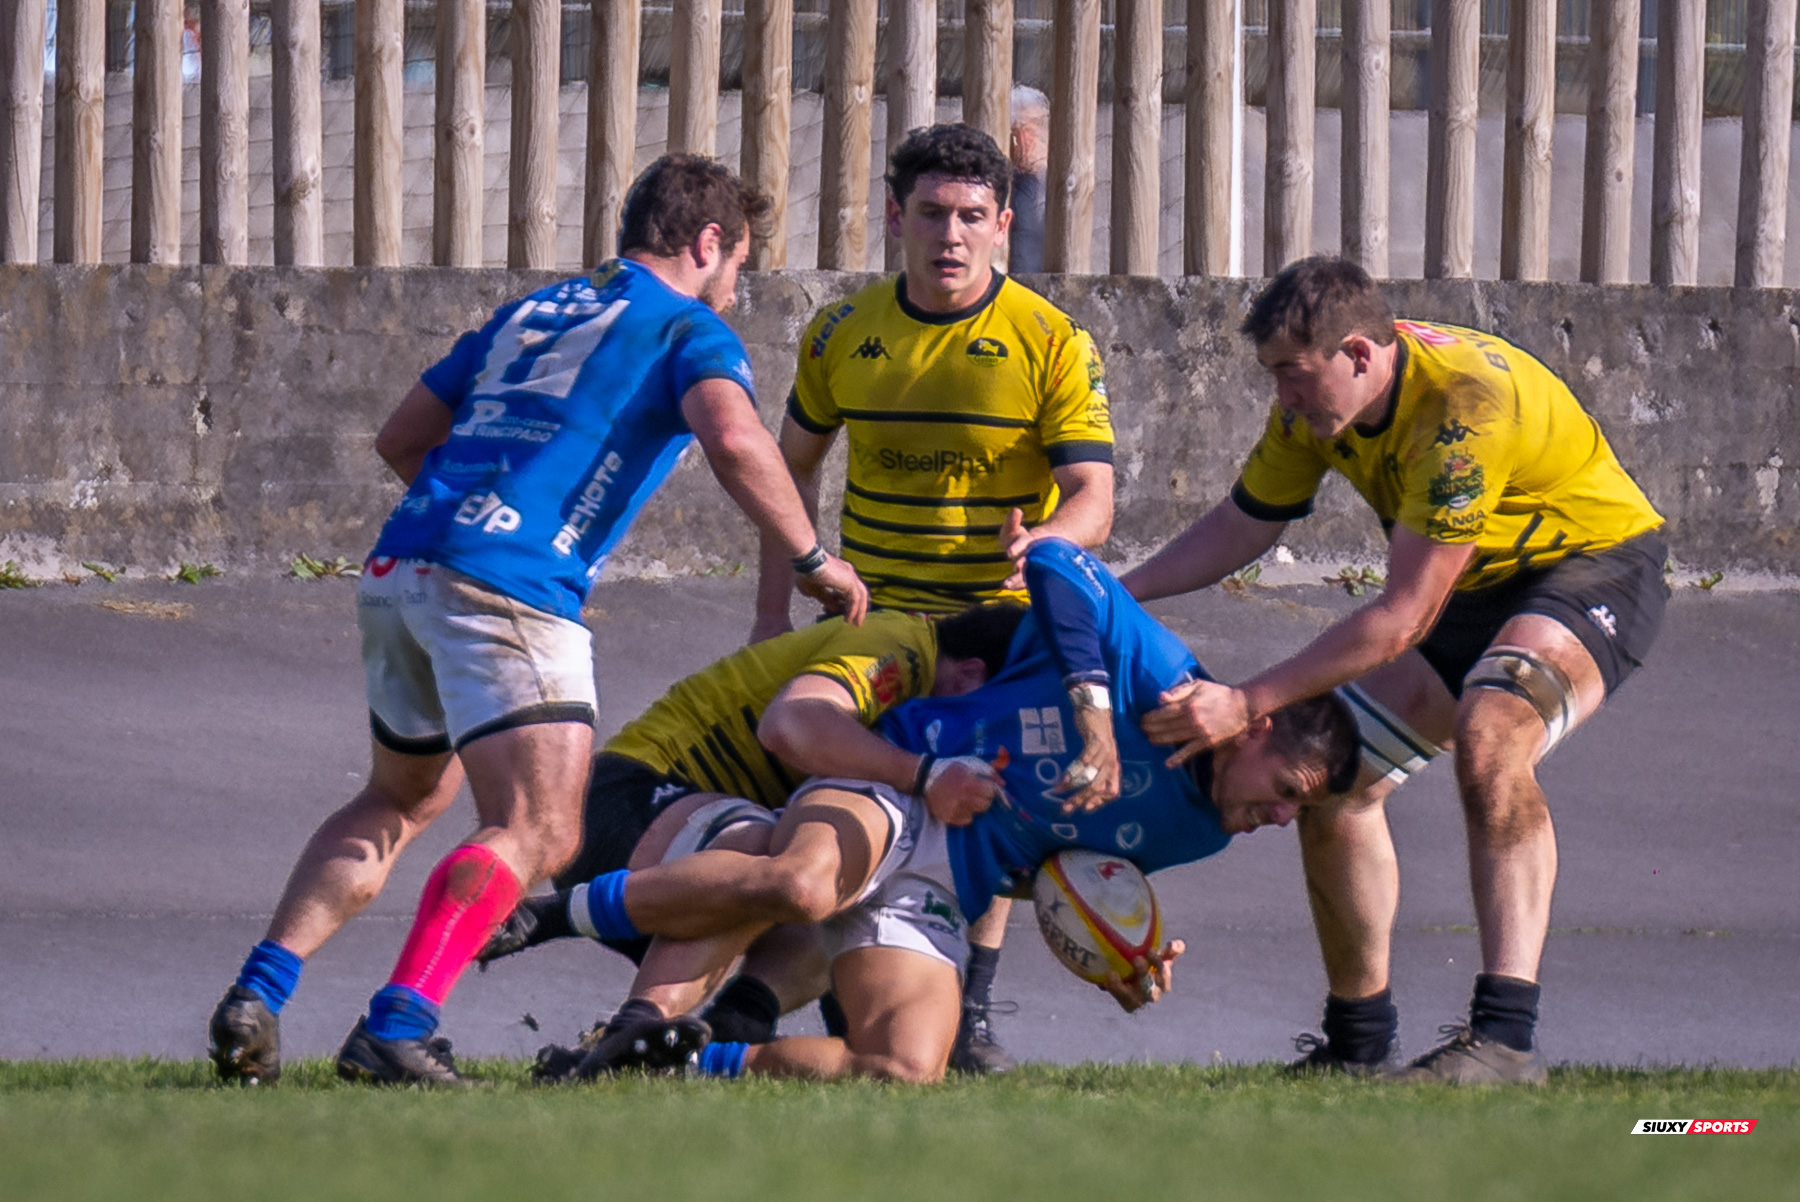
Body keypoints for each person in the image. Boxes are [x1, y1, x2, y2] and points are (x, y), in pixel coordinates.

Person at [205, 155, 868, 1088]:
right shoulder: (686, 325)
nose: (736, 289)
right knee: (541, 828)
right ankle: (400, 1024)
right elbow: (733, 437)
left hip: (406, 562)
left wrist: (465, 520)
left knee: (399, 798)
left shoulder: (535, 310)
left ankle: (257, 994)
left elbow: (402, 437)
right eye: (739, 267)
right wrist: (812, 558)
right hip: (510, 582)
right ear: (709, 243)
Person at [1123, 257, 1668, 1083]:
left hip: (1589, 570)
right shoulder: (1318, 414)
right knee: (1324, 769)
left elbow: (1404, 617)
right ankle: (1358, 1046)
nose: (1284, 398)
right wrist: (1108, 593)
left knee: (1492, 734)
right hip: (1469, 590)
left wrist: (1246, 700)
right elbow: (1242, 525)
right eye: (1273, 376)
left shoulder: (1460, 408)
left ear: (1358, 354)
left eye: (1293, 376)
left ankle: (1506, 1041)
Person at [536, 540, 1360, 1083]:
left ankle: (679, 1061)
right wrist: (1095, 713)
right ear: (1255, 730)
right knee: (803, 884)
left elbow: (1067, 871)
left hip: (946, 878)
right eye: (1288, 792)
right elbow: (1059, 564)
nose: (1283, 821)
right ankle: (550, 917)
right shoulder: (1164, 679)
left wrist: (1122, 950)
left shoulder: (1205, 831)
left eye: (1298, 812)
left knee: (904, 1070)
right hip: (898, 787)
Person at [749, 122, 1118, 1074]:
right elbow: (783, 481)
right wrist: (769, 614)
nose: (948, 235)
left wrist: (1049, 542)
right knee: (841, 797)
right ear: (893, 218)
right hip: (874, 625)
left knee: (984, 806)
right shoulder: (842, 330)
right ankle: (831, 995)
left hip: (994, 631)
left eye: (969, 217)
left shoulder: (1049, 341)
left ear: (1001, 225)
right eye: (929, 214)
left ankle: (975, 1011)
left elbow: (1096, 498)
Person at [474, 602, 1030, 1047]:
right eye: (991, 718)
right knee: (784, 862)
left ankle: (694, 1033)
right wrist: (925, 773)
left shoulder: (932, 690)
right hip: (626, 800)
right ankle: (550, 924)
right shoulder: (904, 649)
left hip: (695, 844)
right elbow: (790, 724)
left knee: (851, 882)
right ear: (971, 675)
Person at [1005, 86, 1049, 274]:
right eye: (1019, 129)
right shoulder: (1005, 189)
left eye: (1037, 125)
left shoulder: (1063, 185)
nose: (1029, 138)